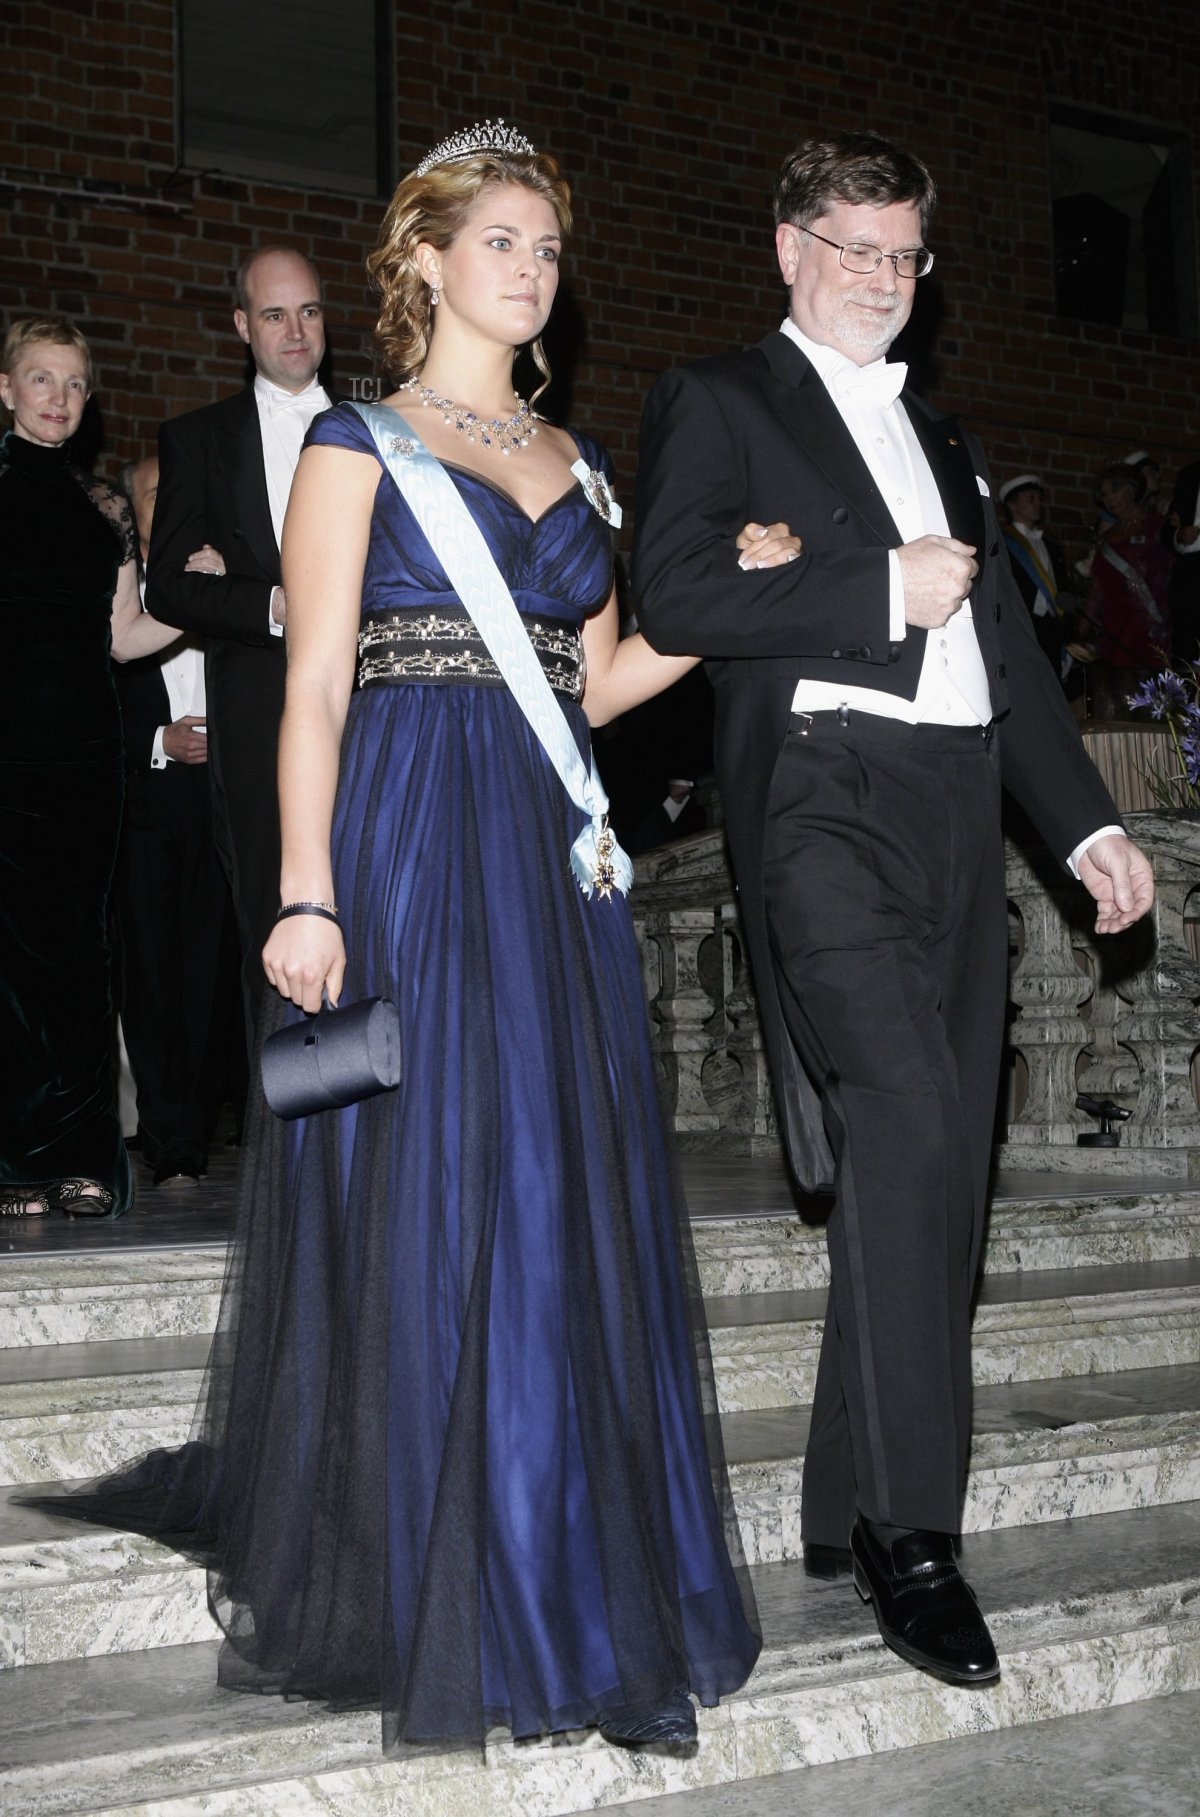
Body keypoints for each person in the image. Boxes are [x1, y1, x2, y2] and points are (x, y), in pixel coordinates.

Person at [40, 124, 784, 1751]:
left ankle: (556, 1574)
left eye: (548, 247)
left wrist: (729, 594)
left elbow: (598, 684)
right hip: (413, 837)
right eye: (501, 240)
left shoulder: (576, 459)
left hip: (552, 853)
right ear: (427, 260)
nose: (532, 269)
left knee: (552, 1189)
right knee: (440, 1185)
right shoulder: (355, 446)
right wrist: (305, 891)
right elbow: (312, 686)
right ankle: (441, 1575)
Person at [633, 132, 1155, 1690]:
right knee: (913, 1117)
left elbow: (1005, 651)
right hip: (820, 799)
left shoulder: (942, 428)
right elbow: (675, 594)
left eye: (905, 254)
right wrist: (872, 588)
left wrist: (1087, 825)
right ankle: (910, 1532)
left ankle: (834, 1492)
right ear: (789, 250)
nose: (882, 278)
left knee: (939, 1159)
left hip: (955, 815)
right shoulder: (721, 399)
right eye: (854, 249)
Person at [0, 318, 183, 1218]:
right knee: (8, 959)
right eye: (42, 379)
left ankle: (80, 1160)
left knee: (79, 951)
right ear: (6, 388)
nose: (60, 398)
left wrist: (192, 598)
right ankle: (15, 1163)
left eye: (74, 384)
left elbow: (124, 636)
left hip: (83, 757)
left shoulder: (104, 507)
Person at [145, 246, 330, 1040]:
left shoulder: (379, 431)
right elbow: (168, 587)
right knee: (274, 918)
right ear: (242, 327)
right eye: (274, 314)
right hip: (259, 717)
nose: (296, 331)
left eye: (310, 311)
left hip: (375, 708)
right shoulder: (200, 439)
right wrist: (270, 603)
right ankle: (286, 1105)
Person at [114, 454, 240, 1187]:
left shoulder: (225, 581)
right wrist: (159, 741)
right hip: (145, 803)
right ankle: (169, 1137)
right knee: (152, 973)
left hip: (219, 801)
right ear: (131, 511)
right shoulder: (113, 592)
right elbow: (85, 701)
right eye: (158, 493)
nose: (174, 504)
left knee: (210, 973)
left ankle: (194, 1122)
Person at [1084, 460, 1172, 712]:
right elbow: (1097, 590)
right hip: (1114, 629)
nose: (1109, 499)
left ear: (1131, 489)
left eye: (1115, 490)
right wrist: (1083, 629)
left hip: (1149, 627)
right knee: (1118, 699)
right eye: (1104, 494)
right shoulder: (1107, 539)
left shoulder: (1158, 526)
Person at [999, 472, 1079, 680]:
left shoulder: (1052, 545)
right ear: (1012, 505)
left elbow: (1062, 586)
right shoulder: (1002, 544)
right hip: (1021, 627)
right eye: (1031, 498)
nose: (1038, 503)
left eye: (1039, 498)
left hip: (1052, 629)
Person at [1162, 455, 1200, 662]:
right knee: (1187, 655)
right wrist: (1179, 536)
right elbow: (1168, 529)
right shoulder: (1190, 475)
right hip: (1192, 579)